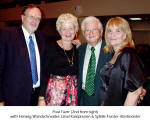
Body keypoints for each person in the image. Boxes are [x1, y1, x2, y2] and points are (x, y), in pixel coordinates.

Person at [0, 5, 46, 106]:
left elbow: (54, 48)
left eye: (38, 18)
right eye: (31, 17)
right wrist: (0, 100)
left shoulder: (42, 38)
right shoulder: (7, 35)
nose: (35, 20)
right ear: (22, 17)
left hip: (36, 96)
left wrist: (72, 42)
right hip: (14, 98)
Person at [99, 17, 146, 106]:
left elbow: (135, 91)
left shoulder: (127, 55)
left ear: (125, 35)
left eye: (118, 31)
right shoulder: (115, 55)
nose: (112, 34)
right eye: (110, 31)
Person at [38, 13, 79, 106]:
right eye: (64, 29)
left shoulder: (78, 49)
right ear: (59, 31)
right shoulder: (51, 47)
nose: (68, 32)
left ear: (76, 30)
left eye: (71, 28)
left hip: (73, 94)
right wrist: (41, 98)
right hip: (55, 95)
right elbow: (44, 73)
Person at [77, 16, 112, 106]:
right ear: (84, 33)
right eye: (87, 30)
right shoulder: (79, 50)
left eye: (94, 29)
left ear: (101, 32)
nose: (91, 33)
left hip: (103, 101)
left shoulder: (111, 51)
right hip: (82, 99)